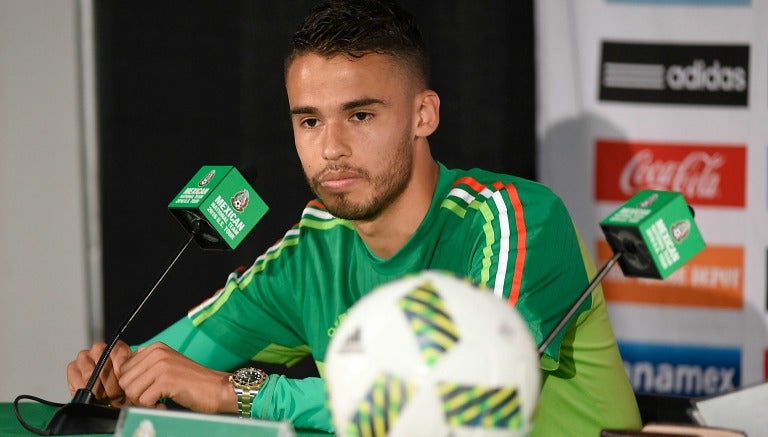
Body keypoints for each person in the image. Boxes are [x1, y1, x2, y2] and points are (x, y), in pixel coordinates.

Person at [67, 0, 642, 435]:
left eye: (361, 115)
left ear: (423, 114)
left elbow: (454, 404)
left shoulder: (512, 219)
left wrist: (240, 393)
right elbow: (165, 366)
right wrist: (117, 377)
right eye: (309, 121)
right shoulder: (311, 250)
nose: (331, 148)